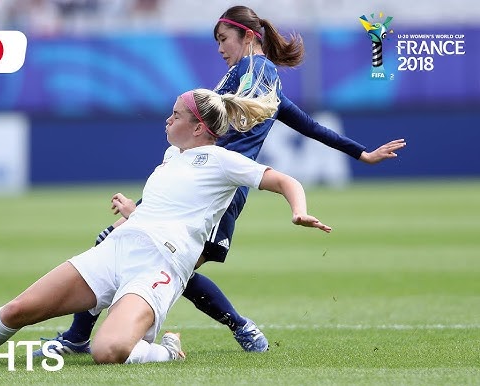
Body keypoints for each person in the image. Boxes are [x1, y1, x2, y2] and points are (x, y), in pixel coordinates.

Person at [36, 5, 407, 355]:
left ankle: (237, 325)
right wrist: (361, 153)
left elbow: (231, 132)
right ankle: (80, 335)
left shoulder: (256, 72)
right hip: (191, 181)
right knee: (129, 250)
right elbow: (309, 126)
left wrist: (362, 153)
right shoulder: (253, 79)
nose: (219, 48)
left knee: (152, 259)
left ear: (247, 36)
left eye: (223, 38)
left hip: (214, 189)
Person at [0, 85, 332, 366]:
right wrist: (133, 213)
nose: (168, 118)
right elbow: (169, 207)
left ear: (198, 127)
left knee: (108, 351)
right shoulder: (170, 158)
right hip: (119, 248)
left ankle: (167, 350)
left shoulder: (223, 160)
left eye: (176, 114)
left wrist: (298, 208)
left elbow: (283, 179)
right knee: (17, 311)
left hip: (159, 268)